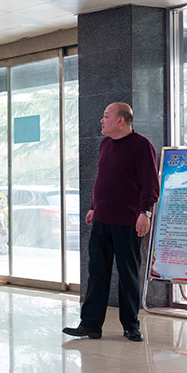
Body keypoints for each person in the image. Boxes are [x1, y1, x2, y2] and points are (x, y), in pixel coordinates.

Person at [63, 102, 159, 342]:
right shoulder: (105, 144)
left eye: (106, 116)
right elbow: (103, 179)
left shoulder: (141, 145)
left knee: (128, 275)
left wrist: (145, 213)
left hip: (128, 221)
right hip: (101, 220)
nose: (101, 120)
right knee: (97, 273)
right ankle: (90, 325)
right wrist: (93, 207)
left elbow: (150, 182)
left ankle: (131, 326)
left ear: (120, 120)